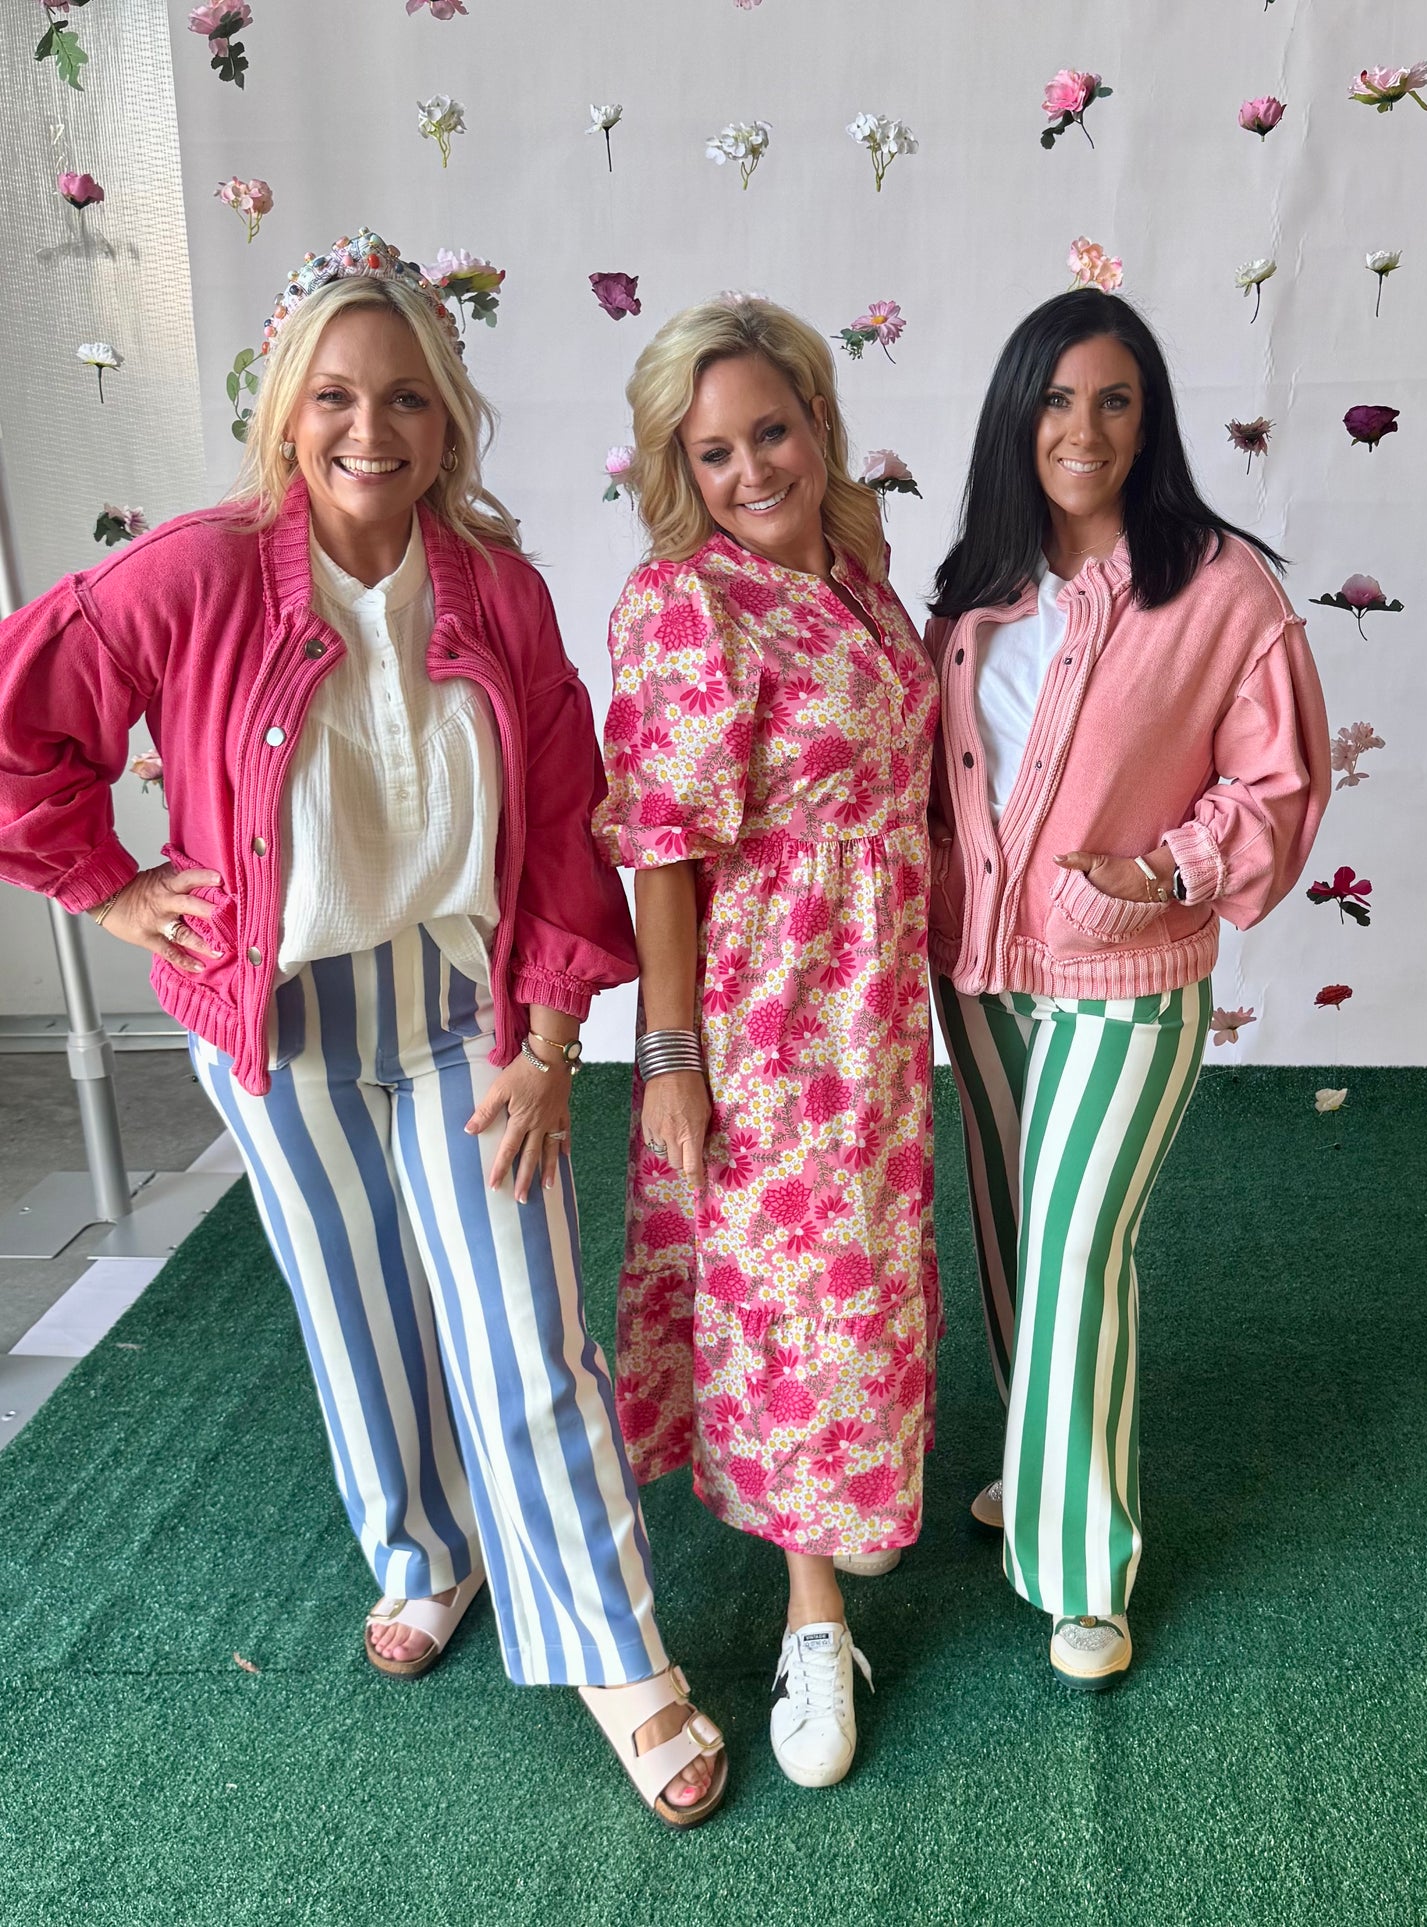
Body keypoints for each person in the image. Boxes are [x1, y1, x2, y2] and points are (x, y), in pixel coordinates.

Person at [0, 230, 725, 1826]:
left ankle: (617, 1651)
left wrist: (546, 1045)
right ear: (284, 408)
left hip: (464, 1009)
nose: (369, 430)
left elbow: (558, 825)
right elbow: (22, 725)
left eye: (404, 397)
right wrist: (113, 891)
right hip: (282, 1019)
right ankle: (426, 1555)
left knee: (522, 1337)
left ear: (447, 419)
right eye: (334, 395)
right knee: (355, 1314)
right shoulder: (190, 575)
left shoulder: (501, 592)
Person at [927, 289, 1330, 1689]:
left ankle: (1082, 1566)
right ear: (1014, 416)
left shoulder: (1219, 589)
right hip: (975, 972)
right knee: (1011, 1230)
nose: (1081, 429)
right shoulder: (974, 582)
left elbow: (1277, 785)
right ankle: (1037, 1465)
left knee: (1077, 1245)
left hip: (1124, 976)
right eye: (1054, 400)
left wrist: (1161, 873)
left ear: (1146, 420)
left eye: (1111, 401)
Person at [593, 296, 941, 1787]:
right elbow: (661, 850)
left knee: (860, 1284)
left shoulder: (859, 574)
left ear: (816, 420)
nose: (751, 470)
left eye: (771, 432)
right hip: (772, 1004)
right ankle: (811, 1616)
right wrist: (671, 1059)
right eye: (714, 449)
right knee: (804, 1296)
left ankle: (844, 1522)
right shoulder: (687, 602)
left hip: (879, 992)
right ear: (682, 463)